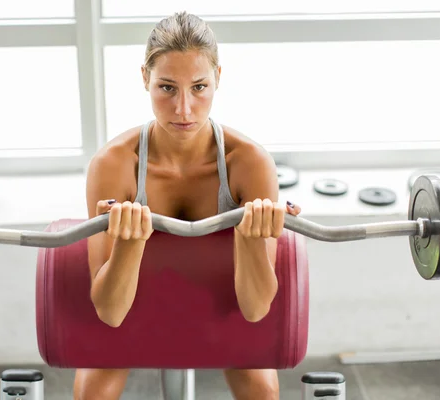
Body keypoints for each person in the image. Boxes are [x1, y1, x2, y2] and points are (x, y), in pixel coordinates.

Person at [76, 11, 302, 400]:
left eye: (199, 87)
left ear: (218, 78)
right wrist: (130, 241)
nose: (183, 109)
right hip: (134, 305)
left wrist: (250, 237)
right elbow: (110, 313)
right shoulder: (114, 164)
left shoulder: (249, 162)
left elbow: (255, 309)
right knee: (91, 393)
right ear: (144, 78)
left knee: (263, 391)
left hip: (222, 303)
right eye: (167, 88)